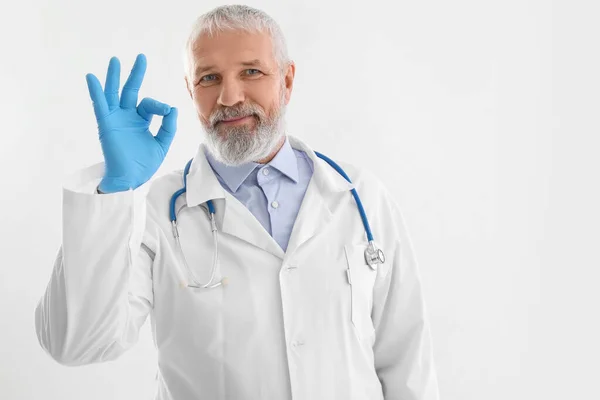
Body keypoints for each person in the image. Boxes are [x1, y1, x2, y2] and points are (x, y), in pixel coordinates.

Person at [34, 4, 440, 400]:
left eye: (251, 72)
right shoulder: (159, 212)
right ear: (190, 90)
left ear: (287, 80)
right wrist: (115, 189)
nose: (229, 97)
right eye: (209, 78)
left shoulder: (360, 197)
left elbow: (406, 360)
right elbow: (76, 343)